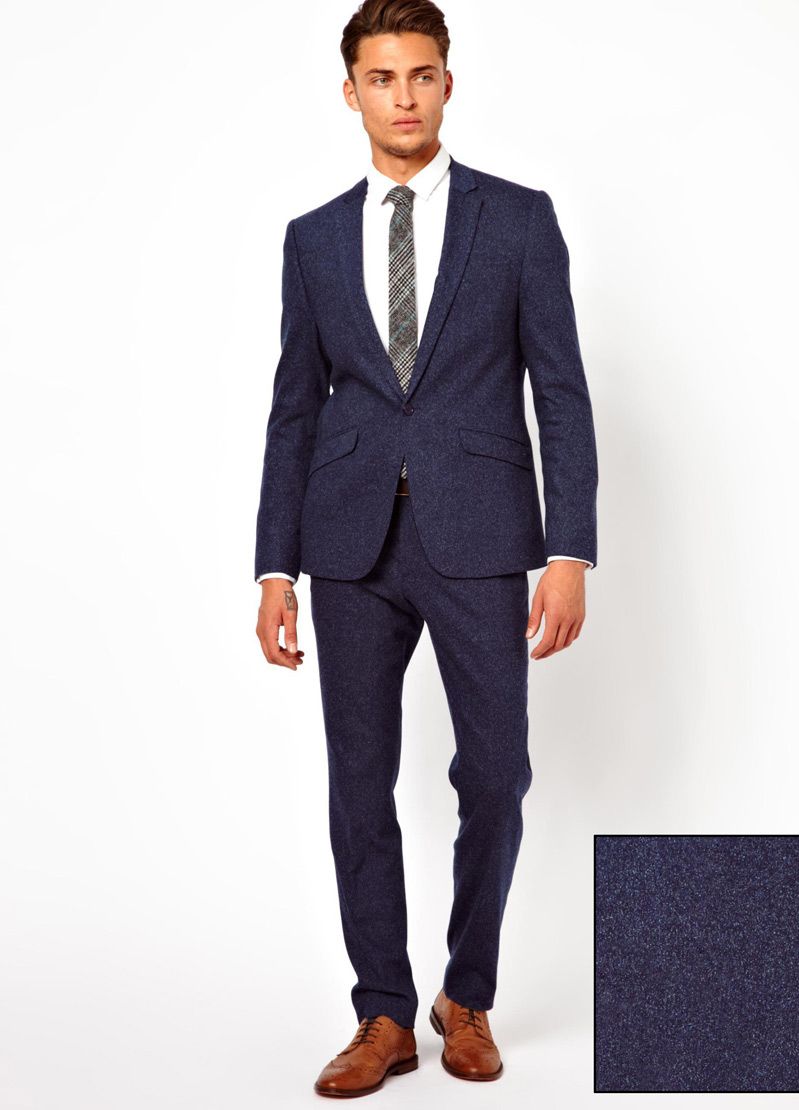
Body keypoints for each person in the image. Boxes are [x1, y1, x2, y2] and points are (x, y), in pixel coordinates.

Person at [254, 0, 598, 1097]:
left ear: (448, 83)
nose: (402, 95)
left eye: (421, 75)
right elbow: (294, 410)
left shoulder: (520, 220)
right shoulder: (313, 238)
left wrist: (570, 549)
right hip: (347, 545)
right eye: (382, 77)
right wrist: (274, 568)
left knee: (496, 774)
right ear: (350, 92)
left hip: (483, 535)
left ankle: (468, 996)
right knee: (358, 784)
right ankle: (384, 1014)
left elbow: (562, 393)